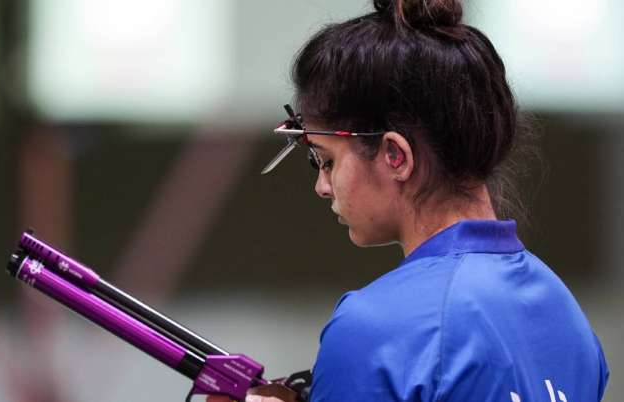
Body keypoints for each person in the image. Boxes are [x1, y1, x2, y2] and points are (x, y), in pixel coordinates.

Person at [211, 0, 609, 401]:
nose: (322, 186)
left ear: (394, 156)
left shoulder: (376, 327)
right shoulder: (565, 315)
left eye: (327, 160)